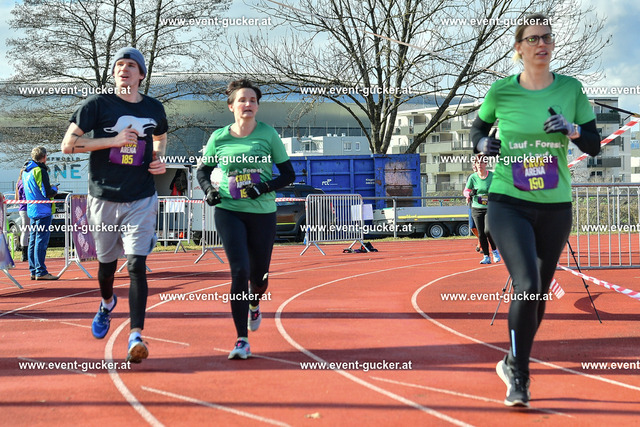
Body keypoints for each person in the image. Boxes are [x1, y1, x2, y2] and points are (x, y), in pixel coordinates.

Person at [471, 14, 600, 407]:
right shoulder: (501, 91)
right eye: (533, 38)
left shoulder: (571, 89)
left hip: (555, 205)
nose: (541, 44)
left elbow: (593, 144)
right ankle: (520, 377)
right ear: (519, 48)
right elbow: (477, 130)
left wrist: (571, 129)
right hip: (508, 201)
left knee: (538, 292)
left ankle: (512, 360)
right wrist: (482, 145)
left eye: (547, 37)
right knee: (527, 285)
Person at [60, 46, 168, 363]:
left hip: (141, 197)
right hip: (104, 196)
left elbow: (160, 137)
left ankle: (136, 336)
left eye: (131, 65)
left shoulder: (153, 107)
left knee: (136, 264)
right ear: (114, 73)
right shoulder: (97, 105)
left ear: (141, 74)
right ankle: (107, 303)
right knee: (107, 266)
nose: (124, 69)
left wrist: (158, 158)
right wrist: (114, 140)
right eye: (119, 64)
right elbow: (68, 145)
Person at [197, 79, 295, 360]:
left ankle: (255, 302)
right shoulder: (219, 138)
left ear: (258, 107)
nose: (248, 104)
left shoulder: (268, 135)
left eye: (253, 100)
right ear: (231, 106)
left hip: (262, 213)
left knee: (259, 277)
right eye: (242, 100)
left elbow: (288, 175)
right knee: (239, 271)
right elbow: (203, 172)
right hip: (228, 210)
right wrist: (209, 191)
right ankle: (242, 340)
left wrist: (262, 187)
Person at [22, 147, 58, 280]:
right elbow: (47, 192)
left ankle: (33, 270)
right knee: (41, 241)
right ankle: (41, 271)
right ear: (44, 157)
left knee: (33, 240)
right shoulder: (40, 170)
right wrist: (54, 189)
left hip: (32, 209)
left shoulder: (26, 171)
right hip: (43, 210)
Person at [464, 155, 499, 264]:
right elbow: (466, 191)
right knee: (481, 233)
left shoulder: (492, 176)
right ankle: (486, 256)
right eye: (477, 162)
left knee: (488, 230)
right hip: (476, 208)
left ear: (486, 164)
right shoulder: (473, 177)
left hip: (490, 207)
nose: (479, 164)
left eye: (481, 162)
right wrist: (469, 194)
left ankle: (495, 251)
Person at [15, 162, 31, 262]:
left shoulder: (19, 182)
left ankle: (24, 253)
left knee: (25, 231)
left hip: (22, 208)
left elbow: (17, 198)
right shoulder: (26, 181)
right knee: (27, 231)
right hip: (27, 208)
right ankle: (25, 253)